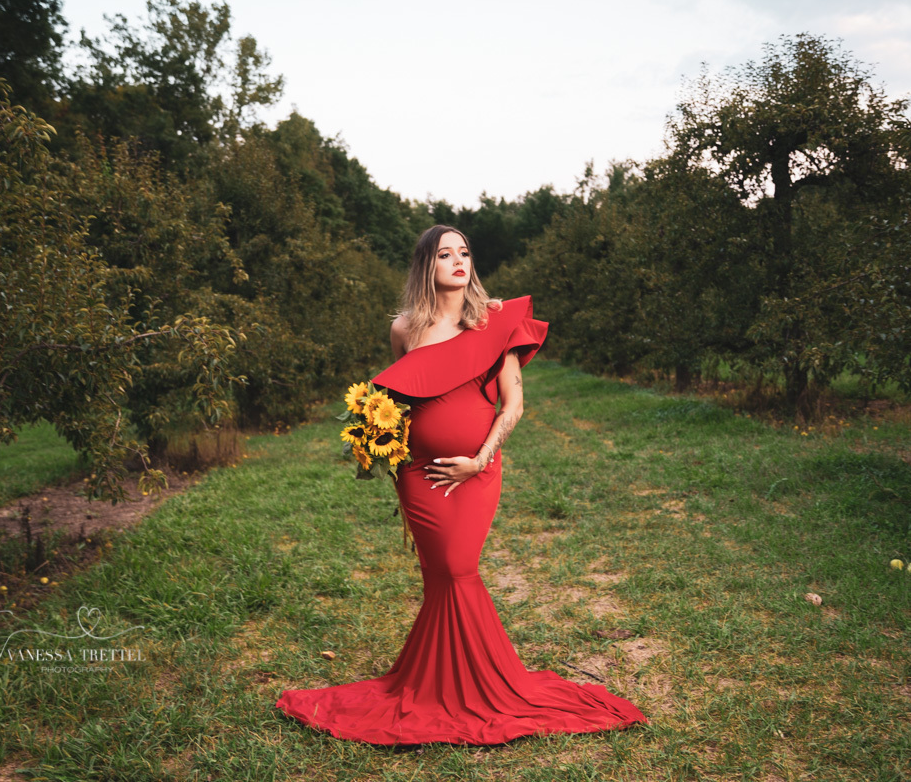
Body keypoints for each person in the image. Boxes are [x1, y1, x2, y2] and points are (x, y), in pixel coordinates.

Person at [275, 225, 648, 745]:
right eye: (444, 254)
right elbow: (403, 394)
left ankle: (485, 686)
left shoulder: (492, 322)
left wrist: (478, 459)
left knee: (457, 568)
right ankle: (434, 684)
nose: (458, 261)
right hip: (418, 474)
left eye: (465, 252)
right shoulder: (405, 328)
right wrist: (374, 439)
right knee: (438, 576)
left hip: (476, 470)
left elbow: (513, 405)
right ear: (425, 266)